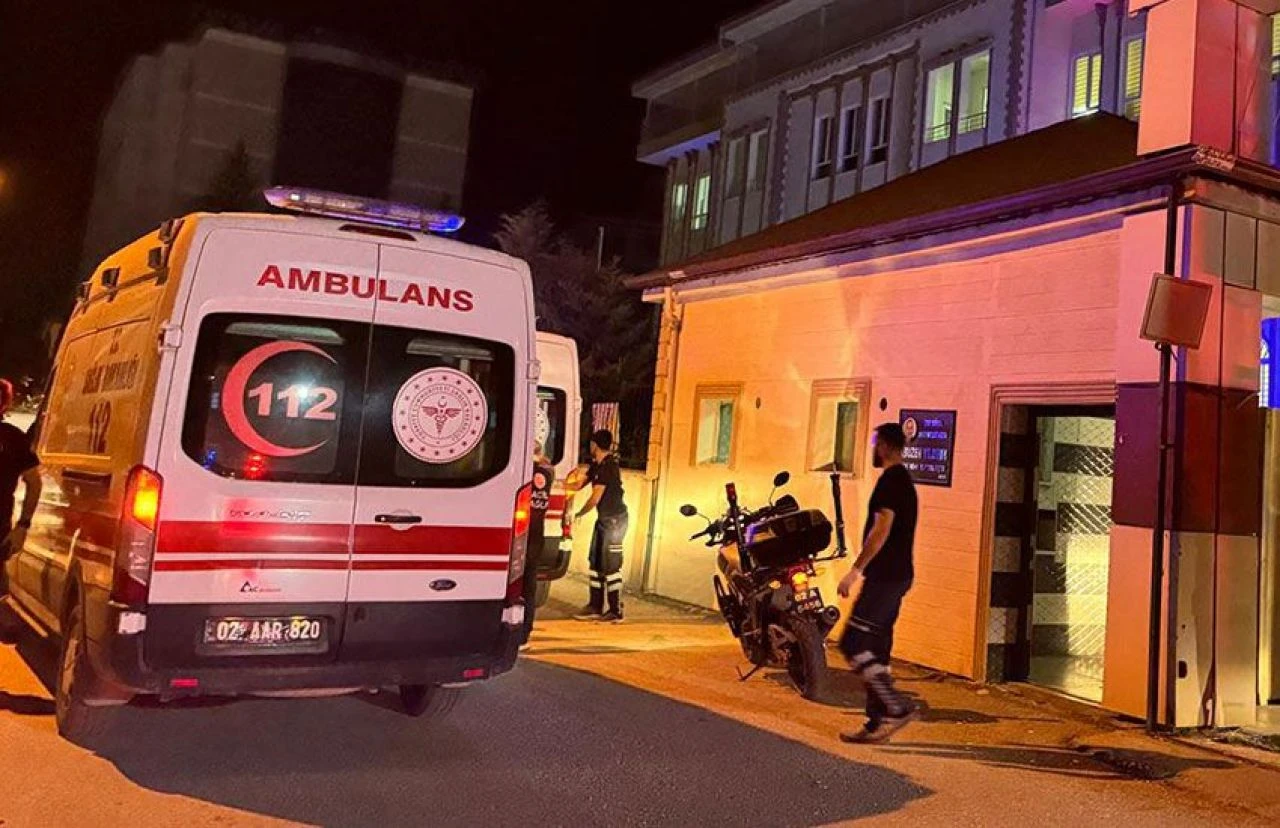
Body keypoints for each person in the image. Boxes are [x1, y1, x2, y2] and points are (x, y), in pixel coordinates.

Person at [836, 422, 919, 743]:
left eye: (874, 443)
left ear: (884, 445)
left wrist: (855, 571)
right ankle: (877, 723)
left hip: (884, 577)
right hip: (898, 576)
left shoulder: (891, 483)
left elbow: (881, 530)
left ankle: (896, 707)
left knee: (853, 643)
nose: (873, 449)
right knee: (877, 648)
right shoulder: (905, 483)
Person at [568, 429, 627, 623]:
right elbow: (577, 486)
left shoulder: (609, 467)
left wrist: (579, 514)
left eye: (591, 444)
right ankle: (595, 605)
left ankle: (615, 610)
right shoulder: (597, 465)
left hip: (615, 521)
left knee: (611, 565)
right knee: (595, 562)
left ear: (594, 445)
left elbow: (595, 498)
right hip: (604, 520)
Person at [1, 378, 42, 597]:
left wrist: (22, 526)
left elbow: (34, 482)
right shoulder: (13, 438)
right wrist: (22, 526)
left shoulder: (13, 439)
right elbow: (34, 483)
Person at [521, 444, 555, 648]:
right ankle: (526, 631)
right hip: (537, 534)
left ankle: (520, 632)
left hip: (524, 535)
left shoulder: (527, 472)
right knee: (529, 586)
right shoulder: (547, 473)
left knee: (521, 585)